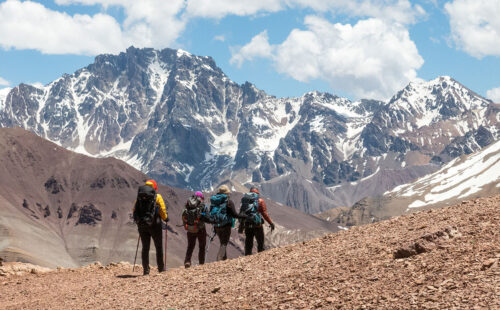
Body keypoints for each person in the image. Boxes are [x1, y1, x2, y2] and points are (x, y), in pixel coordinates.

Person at [132, 179, 168, 275]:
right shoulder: (157, 196)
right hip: (155, 225)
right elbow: (162, 210)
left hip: (142, 225)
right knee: (158, 247)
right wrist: (166, 218)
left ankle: (146, 270)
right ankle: (160, 269)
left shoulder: (139, 197)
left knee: (145, 247)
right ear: (155, 187)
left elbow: (134, 210)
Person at [210, 185, 245, 261]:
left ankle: (224, 259)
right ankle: (219, 258)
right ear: (226, 193)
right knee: (224, 243)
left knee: (222, 242)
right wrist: (242, 216)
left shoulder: (214, 202)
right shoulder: (228, 202)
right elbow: (234, 214)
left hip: (217, 225)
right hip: (226, 225)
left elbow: (211, 212)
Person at [239, 186, 275, 256]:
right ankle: (260, 256)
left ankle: (247, 256)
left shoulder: (245, 200)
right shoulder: (260, 200)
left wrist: (241, 223)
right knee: (260, 241)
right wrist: (271, 223)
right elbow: (264, 213)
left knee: (249, 241)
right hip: (257, 224)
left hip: (247, 224)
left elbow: (241, 212)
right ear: (257, 193)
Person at [182, 191, 207, 268]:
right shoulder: (201, 205)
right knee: (202, 246)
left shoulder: (188, 204)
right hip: (200, 228)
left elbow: (184, 215)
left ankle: (187, 261)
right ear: (201, 198)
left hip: (190, 228)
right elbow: (205, 215)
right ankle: (201, 263)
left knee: (190, 246)